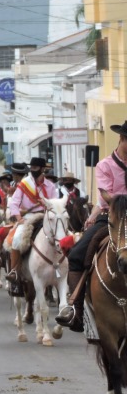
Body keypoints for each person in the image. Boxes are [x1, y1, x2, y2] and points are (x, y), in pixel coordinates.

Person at [58, 121, 127, 331]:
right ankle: (76, 310)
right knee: (77, 254)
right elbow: (105, 195)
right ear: (122, 139)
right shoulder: (105, 165)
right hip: (111, 218)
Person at [4, 156, 60, 283]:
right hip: (29, 218)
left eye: (35, 168)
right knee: (17, 239)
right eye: (32, 168)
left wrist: (48, 206)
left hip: (46, 216)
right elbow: (14, 203)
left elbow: (56, 204)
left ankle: (63, 268)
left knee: (63, 236)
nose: (32, 170)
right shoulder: (24, 184)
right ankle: (14, 271)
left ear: (42, 169)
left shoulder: (50, 186)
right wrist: (19, 218)